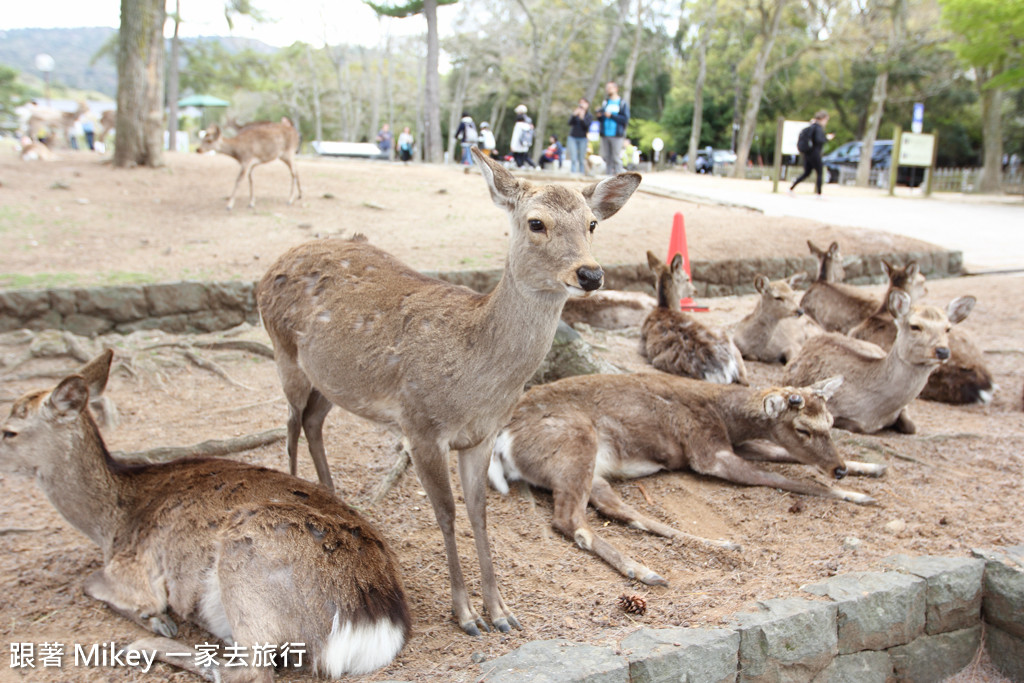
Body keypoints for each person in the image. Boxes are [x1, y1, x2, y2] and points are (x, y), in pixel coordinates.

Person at [790, 110, 834, 196]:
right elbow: (819, 140)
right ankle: (819, 193)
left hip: (808, 153)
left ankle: (791, 188)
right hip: (815, 153)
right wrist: (827, 138)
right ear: (823, 119)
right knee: (820, 172)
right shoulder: (818, 128)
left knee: (807, 173)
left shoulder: (811, 126)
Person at [597, 81, 630, 175]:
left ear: (616, 89)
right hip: (605, 134)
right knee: (607, 157)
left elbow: (625, 119)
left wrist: (611, 116)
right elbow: (602, 118)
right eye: (607, 88)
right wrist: (600, 116)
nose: (608, 89)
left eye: (610, 87)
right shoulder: (605, 102)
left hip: (617, 134)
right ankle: (607, 178)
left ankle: (619, 179)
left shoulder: (622, 103)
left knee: (616, 157)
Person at [567, 98, 592, 174]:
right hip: (573, 137)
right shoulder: (576, 114)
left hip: (583, 138)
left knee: (581, 158)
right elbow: (569, 123)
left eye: (584, 103)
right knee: (573, 157)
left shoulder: (589, 115)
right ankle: (573, 173)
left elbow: (586, 126)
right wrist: (574, 115)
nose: (581, 105)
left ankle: (581, 173)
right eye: (580, 103)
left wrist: (582, 118)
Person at [510, 104, 536, 169]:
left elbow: (516, 135)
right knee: (524, 156)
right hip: (525, 143)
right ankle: (532, 166)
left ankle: (522, 166)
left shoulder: (518, 124)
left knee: (518, 156)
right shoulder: (528, 122)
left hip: (519, 143)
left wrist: (512, 145)